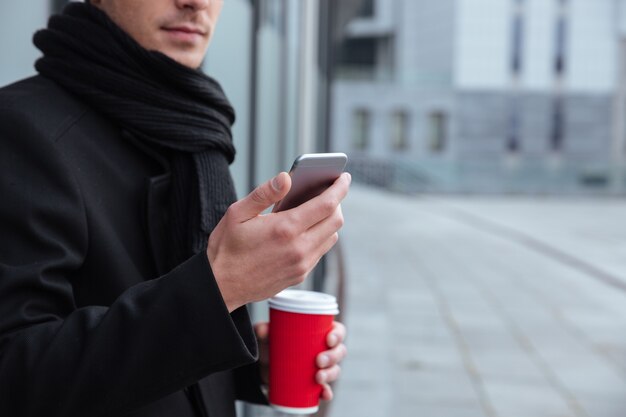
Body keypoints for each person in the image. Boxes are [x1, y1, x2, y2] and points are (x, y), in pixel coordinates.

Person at [0, 0, 350, 416]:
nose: (196, 3)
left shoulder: (193, 126)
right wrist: (220, 288)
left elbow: (156, 332)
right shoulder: (19, 129)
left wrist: (251, 370)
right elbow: (16, 376)